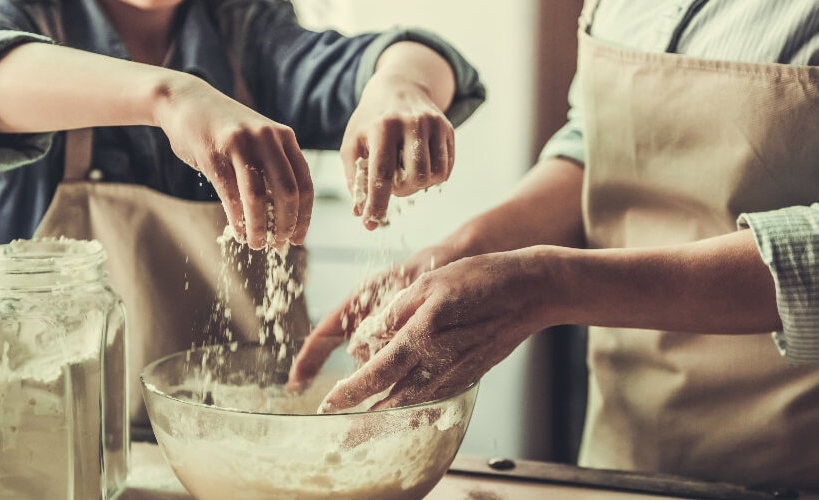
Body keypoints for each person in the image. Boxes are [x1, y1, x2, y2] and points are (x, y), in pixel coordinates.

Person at [291, 0, 819, 492]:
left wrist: (548, 284)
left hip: (794, 462)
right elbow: (600, 148)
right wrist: (468, 249)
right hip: (623, 454)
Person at [0, 0, 485, 417]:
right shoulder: (26, 14)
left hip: (247, 435)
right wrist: (167, 97)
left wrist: (401, 82)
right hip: (55, 439)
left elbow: (417, 55)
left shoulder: (243, 31)